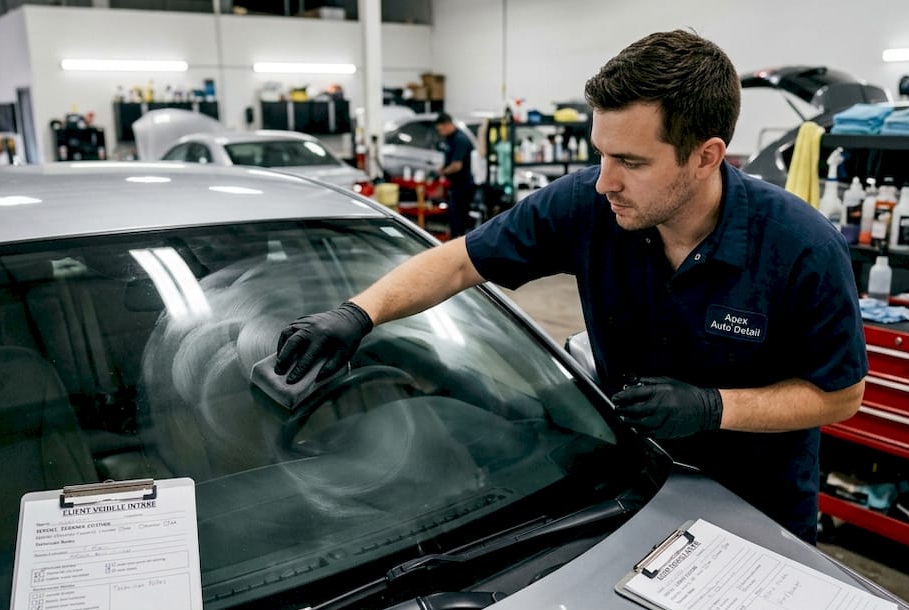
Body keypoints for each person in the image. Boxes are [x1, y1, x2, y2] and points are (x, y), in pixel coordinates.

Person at [274, 30, 867, 544]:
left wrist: (715, 407)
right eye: (600, 153)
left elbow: (841, 395)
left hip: (755, 512)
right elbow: (459, 262)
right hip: (629, 488)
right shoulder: (588, 206)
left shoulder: (801, 249)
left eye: (631, 162)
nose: (605, 180)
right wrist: (358, 312)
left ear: (706, 156)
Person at [434, 112, 478, 238]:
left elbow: (456, 165)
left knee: (460, 219)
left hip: (463, 186)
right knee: (453, 217)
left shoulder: (460, 139)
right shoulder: (450, 139)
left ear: (448, 125)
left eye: (441, 129)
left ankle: (460, 242)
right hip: (454, 186)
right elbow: (449, 160)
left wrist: (443, 172)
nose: (440, 132)